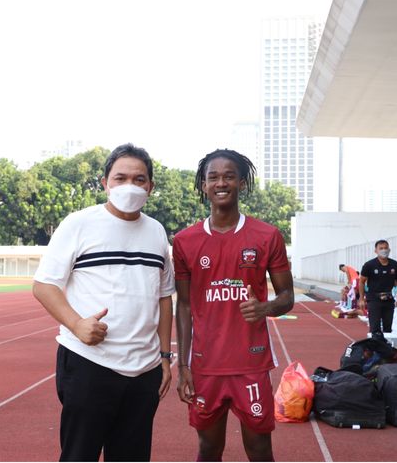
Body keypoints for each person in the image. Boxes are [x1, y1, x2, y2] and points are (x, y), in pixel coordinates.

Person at [32, 143, 175, 462]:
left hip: (144, 369)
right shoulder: (78, 224)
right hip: (90, 362)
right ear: (105, 183)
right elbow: (44, 285)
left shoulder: (156, 232)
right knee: (79, 455)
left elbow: (164, 296)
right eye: (120, 178)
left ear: (150, 186)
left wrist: (165, 356)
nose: (130, 186)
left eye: (139, 180)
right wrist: (77, 324)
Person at [173, 149, 294, 462]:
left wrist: (265, 308)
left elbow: (287, 297)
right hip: (205, 366)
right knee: (209, 449)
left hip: (251, 365)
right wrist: (183, 366)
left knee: (259, 450)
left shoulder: (267, 236)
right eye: (213, 177)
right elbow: (184, 306)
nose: (221, 183)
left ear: (241, 182)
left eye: (229, 176)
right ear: (203, 185)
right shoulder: (185, 241)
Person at [357, 240, 397, 340]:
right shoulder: (369, 265)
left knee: (388, 327)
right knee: (375, 327)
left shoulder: (395, 265)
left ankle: (386, 349)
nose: (384, 250)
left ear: (389, 249)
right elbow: (361, 281)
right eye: (381, 248)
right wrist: (361, 298)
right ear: (376, 251)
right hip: (374, 299)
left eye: (385, 248)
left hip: (389, 299)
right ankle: (374, 348)